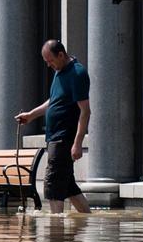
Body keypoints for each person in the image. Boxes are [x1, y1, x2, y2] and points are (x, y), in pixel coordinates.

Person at [15, 40, 91, 213]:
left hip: (63, 138)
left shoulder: (77, 73)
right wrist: (31, 115)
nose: (49, 65)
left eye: (50, 61)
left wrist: (77, 143)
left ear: (61, 55)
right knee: (69, 187)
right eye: (46, 62)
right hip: (54, 137)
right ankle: (87, 220)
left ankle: (55, 234)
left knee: (52, 186)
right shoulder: (60, 71)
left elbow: (85, 111)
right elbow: (54, 101)